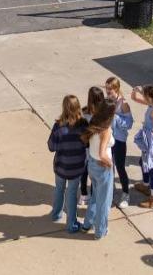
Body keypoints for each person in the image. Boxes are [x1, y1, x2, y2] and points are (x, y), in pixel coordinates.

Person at [48, 95, 89, 233]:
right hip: (77, 167)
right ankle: (71, 223)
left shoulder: (58, 126)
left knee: (59, 189)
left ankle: (56, 214)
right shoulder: (83, 125)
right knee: (71, 194)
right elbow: (87, 143)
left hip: (61, 165)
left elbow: (51, 146)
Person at [80, 99, 116, 239]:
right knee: (104, 201)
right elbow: (102, 154)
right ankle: (100, 231)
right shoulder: (106, 130)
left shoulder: (94, 121)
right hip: (102, 167)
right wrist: (110, 164)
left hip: (92, 165)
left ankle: (87, 224)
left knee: (95, 196)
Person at [131, 84, 153, 207]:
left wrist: (148, 134)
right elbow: (134, 98)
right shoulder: (151, 104)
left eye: (145, 95)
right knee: (143, 162)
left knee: (151, 168)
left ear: (150, 97)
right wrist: (136, 90)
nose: (143, 96)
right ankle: (146, 186)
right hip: (149, 140)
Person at [105, 77, 134, 209]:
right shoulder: (107, 101)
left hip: (119, 140)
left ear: (116, 89)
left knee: (120, 167)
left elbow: (129, 124)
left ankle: (126, 193)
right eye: (106, 89)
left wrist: (116, 119)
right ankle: (109, 193)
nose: (107, 92)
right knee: (109, 167)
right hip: (107, 139)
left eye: (110, 89)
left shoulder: (123, 104)